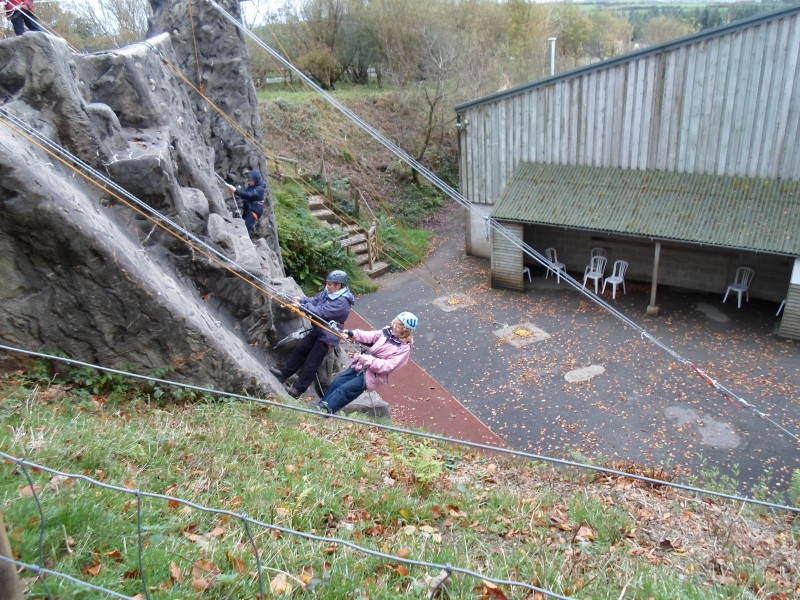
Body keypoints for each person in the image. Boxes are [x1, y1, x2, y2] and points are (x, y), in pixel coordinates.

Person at [270, 270, 355, 398]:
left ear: (338, 286)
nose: (327, 286)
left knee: (312, 361)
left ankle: (298, 389)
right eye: (327, 283)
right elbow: (315, 301)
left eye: (330, 284)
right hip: (318, 329)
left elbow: (321, 312)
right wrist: (302, 300)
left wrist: (302, 307)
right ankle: (284, 373)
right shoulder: (328, 293)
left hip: (328, 335)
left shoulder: (342, 302)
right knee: (301, 349)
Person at [317, 311, 417, 415]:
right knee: (337, 382)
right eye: (395, 324)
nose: (395, 328)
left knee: (344, 390)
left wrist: (367, 360)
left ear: (405, 331)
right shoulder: (387, 331)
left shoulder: (404, 348)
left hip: (371, 375)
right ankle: (320, 407)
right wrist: (351, 333)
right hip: (360, 366)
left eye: (399, 327)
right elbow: (371, 336)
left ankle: (322, 412)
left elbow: (388, 366)